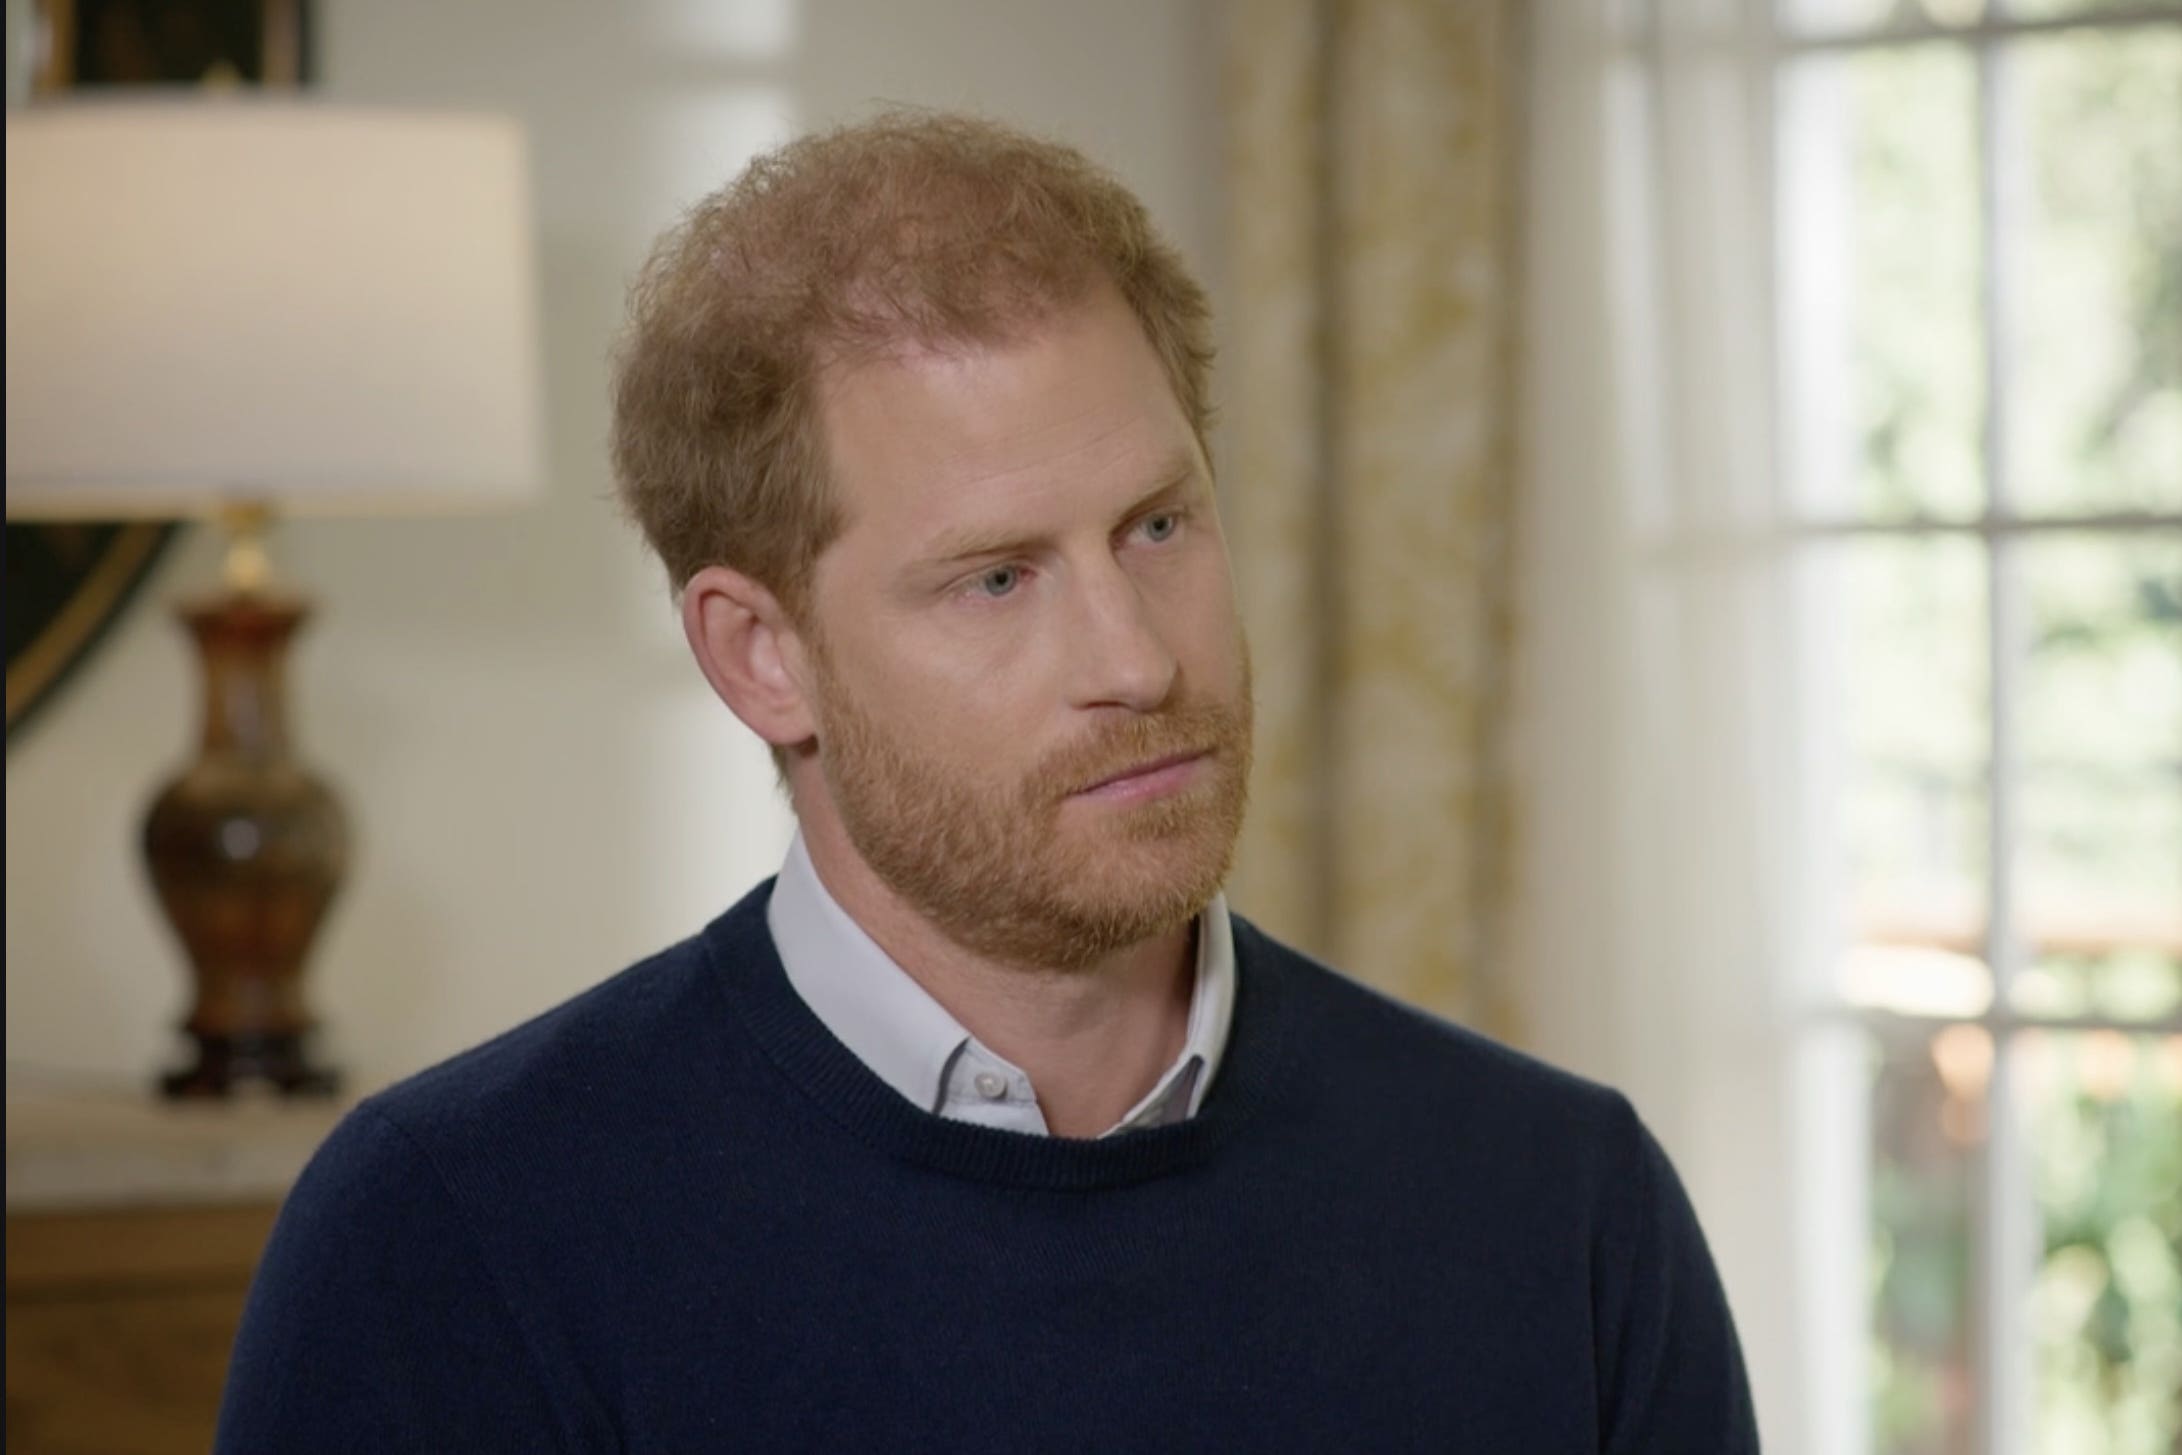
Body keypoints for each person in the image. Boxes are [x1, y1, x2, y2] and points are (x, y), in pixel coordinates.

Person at [215, 111, 1758, 1453]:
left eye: (1158, 527)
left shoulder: (1560, 1206)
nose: (1136, 661)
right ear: (761, 656)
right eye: (997, 579)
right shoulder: (450, 1238)